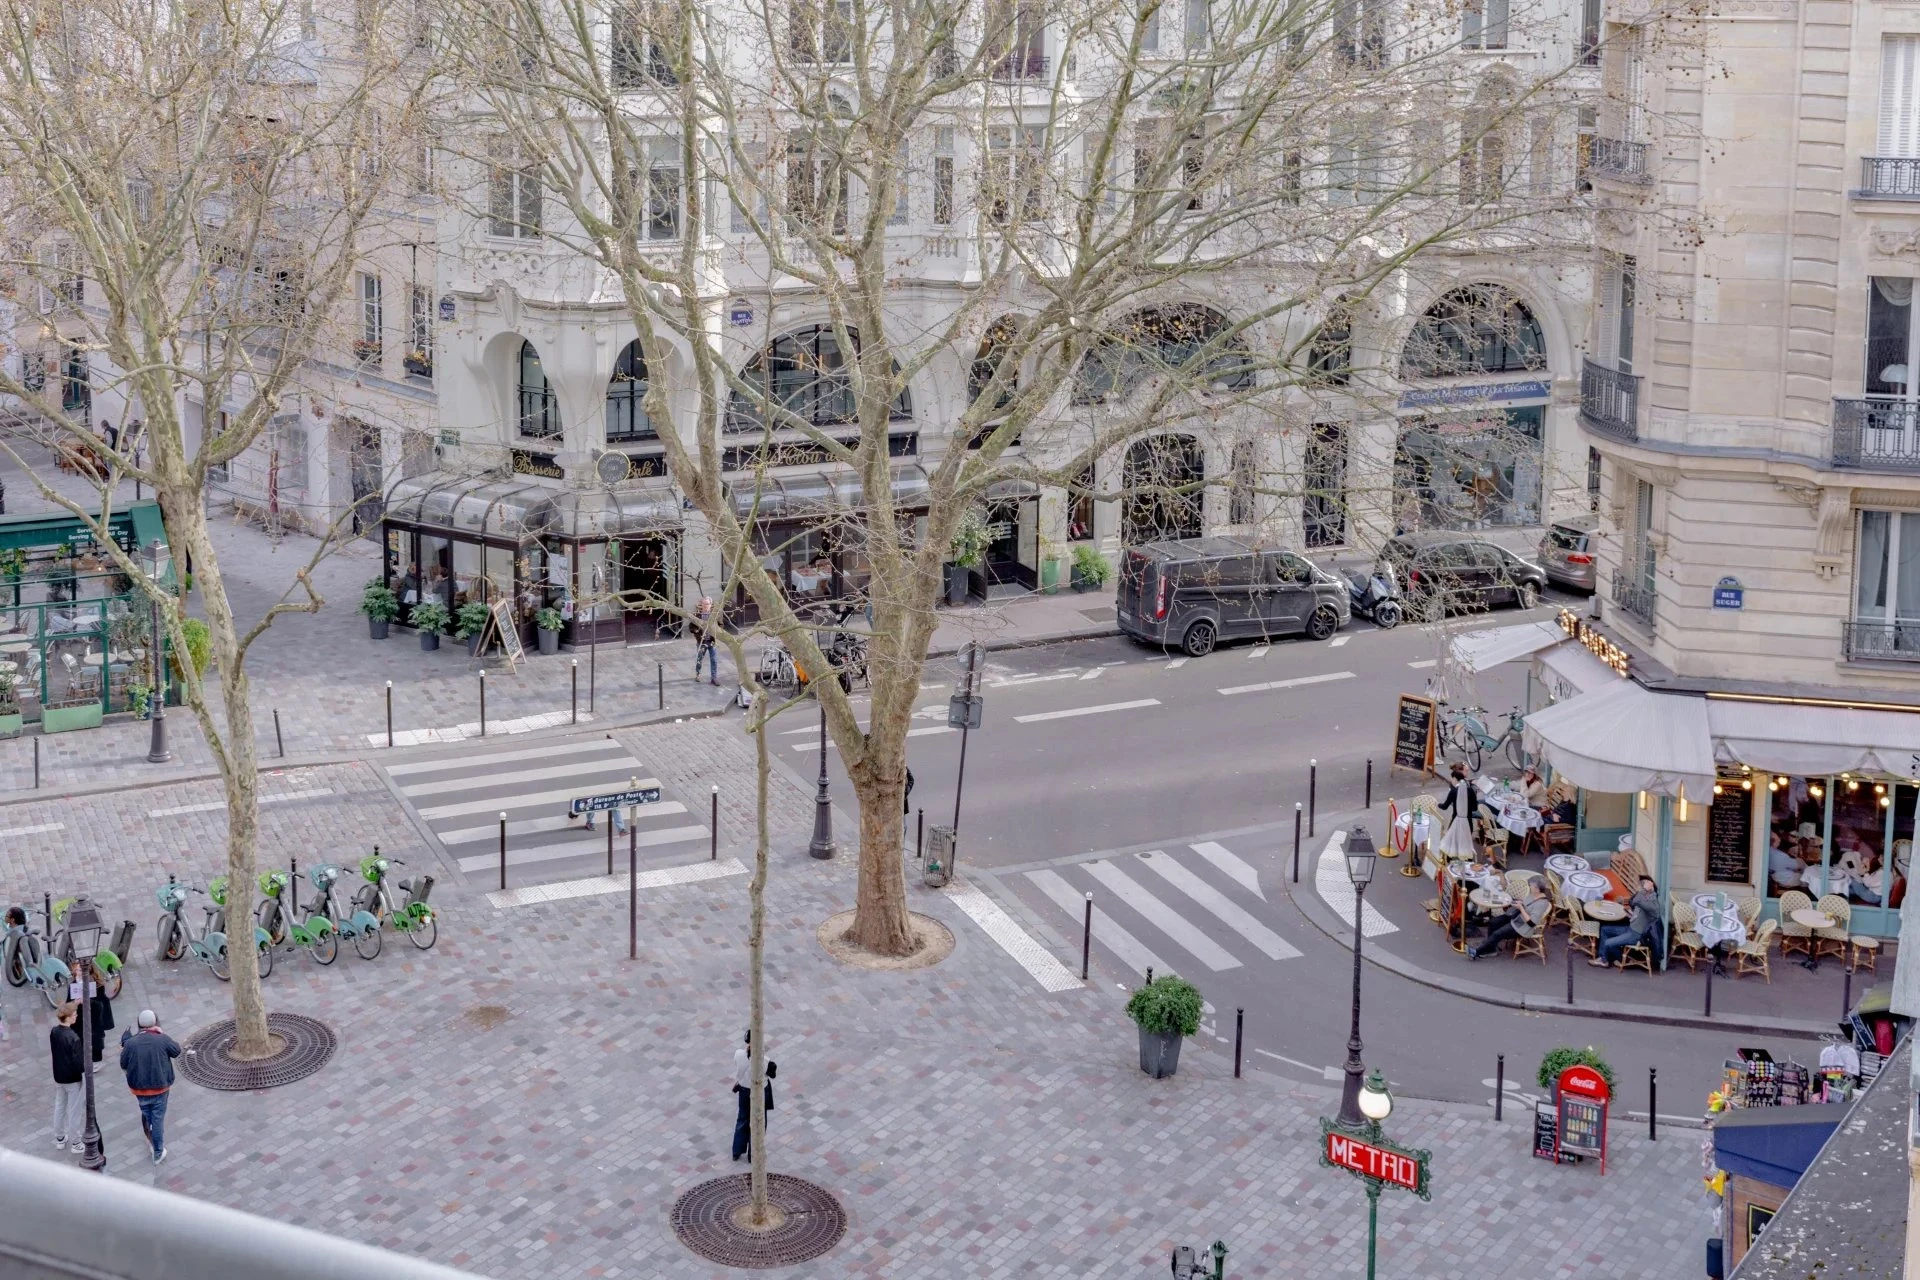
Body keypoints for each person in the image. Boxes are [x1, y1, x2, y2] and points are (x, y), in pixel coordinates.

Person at [119, 1009, 181, 1164]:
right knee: (157, 1119)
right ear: (155, 1023)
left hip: (139, 1089)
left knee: (147, 1114)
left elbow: (123, 1063)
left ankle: (151, 1137)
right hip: (160, 1086)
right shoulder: (161, 1039)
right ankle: (158, 1151)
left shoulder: (131, 1043)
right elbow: (177, 1050)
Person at [1468, 879, 1551, 959]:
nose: (1530, 887)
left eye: (1531, 886)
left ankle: (1477, 952)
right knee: (1494, 922)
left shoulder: (1541, 904)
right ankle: (1491, 947)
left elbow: (1531, 923)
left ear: (1537, 889)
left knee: (1497, 934)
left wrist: (1521, 908)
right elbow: (1527, 905)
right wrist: (1521, 904)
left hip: (1523, 926)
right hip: (1517, 917)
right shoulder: (1533, 894)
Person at [1594, 875, 1664, 968]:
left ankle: (1609, 960)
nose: (1640, 889)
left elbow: (1636, 900)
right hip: (1630, 929)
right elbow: (1639, 910)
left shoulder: (1652, 903)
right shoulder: (1646, 899)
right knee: (1605, 929)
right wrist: (1631, 915)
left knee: (1607, 943)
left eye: (1643, 886)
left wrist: (1644, 890)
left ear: (1650, 889)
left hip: (1636, 935)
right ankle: (1608, 958)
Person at [730, 1029, 776, 1162]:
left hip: (743, 1090)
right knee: (759, 1122)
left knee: (742, 1119)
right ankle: (753, 1154)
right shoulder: (766, 1061)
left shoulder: (738, 1054)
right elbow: (773, 1074)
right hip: (760, 1092)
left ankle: (737, 1150)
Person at [49, 1002, 84, 1152]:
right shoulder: (73, 1037)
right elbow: (78, 1063)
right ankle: (76, 1142)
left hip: (58, 1075)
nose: (76, 1016)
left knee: (60, 1106)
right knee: (74, 1111)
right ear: (68, 1018)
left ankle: (60, 1138)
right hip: (72, 1078)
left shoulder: (54, 1032)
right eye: (74, 1014)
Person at [1435, 764, 1479, 861]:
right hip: (1468, 822)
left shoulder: (1453, 791)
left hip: (1455, 821)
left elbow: (1445, 806)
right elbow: (1475, 808)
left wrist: (1437, 804)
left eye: (1452, 779)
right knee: (1465, 845)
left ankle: (1449, 864)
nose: (1452, 781)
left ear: (1455, 778)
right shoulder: (1470, 790)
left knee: (1452, 843)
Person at [693, 595, 718, 686]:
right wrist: (698, 632)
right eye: (704, 604)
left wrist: (715, 631)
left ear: (711, 605)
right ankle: (698, 674)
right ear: (701, 605)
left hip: (711, 641)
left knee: (714, 659)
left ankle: (714, 678)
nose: (705, 606)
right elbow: (691, 627)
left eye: (707, 604)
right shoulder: (697, 615)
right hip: (702, 642)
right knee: (700, 658)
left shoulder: (715, 615)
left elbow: (721, 625)